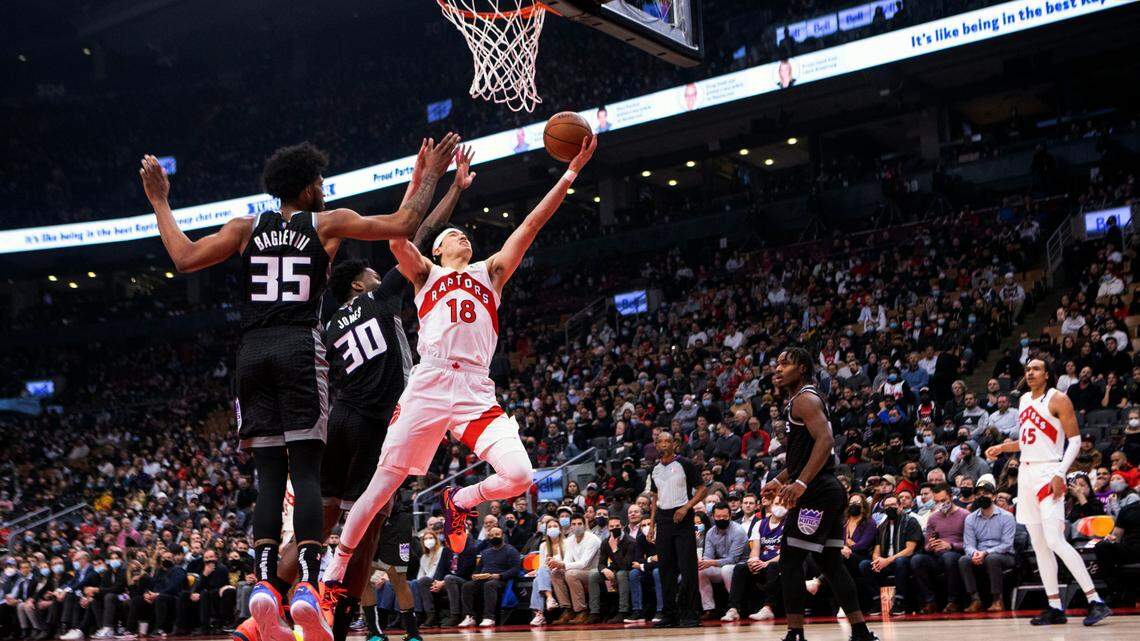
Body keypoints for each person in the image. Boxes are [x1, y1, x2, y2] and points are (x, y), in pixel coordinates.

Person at [139, 134, 460, 641]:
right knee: (307, 471)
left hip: (251, 352)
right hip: (296, 345)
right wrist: (429, 175)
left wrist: (160, 200)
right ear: (309, 186)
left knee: (270, 476)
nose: (324, 187)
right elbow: (403, 226)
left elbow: (182, 257)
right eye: (321, 181)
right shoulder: (325, 224)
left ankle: (265, 586)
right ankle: (309, 586)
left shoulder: (245, 228)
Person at [322, 136, 597, 602]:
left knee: (519, 476)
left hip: (474, 388)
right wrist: (417, 180)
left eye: (465, 234)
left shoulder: (491, 271)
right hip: (428, 383)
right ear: (440, 247)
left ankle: (460, 501)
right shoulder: (425, 273)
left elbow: (531, 224)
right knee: (382, 483)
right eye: (453, 234)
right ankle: (337, 568)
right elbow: (396, 236)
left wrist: (570, 172)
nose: (462, 236)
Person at [317, 144, 474, 641]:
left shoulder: (325, 316)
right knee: (367, 527)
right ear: (362, 285)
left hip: (339, 415)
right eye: (369, 273)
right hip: (372, 421)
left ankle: (280, 597)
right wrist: (446, 187)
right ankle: (336, 617)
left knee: (321, 521)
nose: (375, 273)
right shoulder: (380, 297)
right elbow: (417, 235)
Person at [762, 348, 877, 641]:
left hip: (817, 491)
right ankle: (860, 631)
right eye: (776, 364)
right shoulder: (799, 401)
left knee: (788, 561)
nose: (777, 369)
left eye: (785, 364)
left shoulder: (805, 399)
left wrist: (800, 484)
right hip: (824, 488)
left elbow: (825, 441)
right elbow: (805, 453)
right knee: (830, 562)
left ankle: (795, 633)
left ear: (802, 368)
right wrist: (780, 478)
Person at [985, 358, 1111, 626]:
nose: (1030, 372)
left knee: (1054, 540)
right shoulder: (1024, 401)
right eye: (1028, 368)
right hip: (1027, 473)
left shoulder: (1059, 399)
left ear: (1047, 374)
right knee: (1039, 544)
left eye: (1036, 369)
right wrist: (1003, 448)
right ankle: (1055, 606)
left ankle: (1096, 600)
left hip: (1049, 471)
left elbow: (1075, 440)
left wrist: (1059, 473)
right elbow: (1030, 441)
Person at [649, 431, 706, 628]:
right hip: (663, 519)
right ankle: (669, 614)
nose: (664, 444)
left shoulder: (686, 464)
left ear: (675, 443)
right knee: (665, 569)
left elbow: (702, 489)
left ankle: (690, 613)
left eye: (668, 440)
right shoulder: (654, 469)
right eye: (660, 441)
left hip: (682, 517)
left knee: (687, 567)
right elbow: (654, 498)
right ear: (656, 445)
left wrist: (686, 507)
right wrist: (651, 525)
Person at [958, 481, 1016, 612]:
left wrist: (985, 553)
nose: (981, 496)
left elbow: (1007, 544)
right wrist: (975, 553)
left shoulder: (1007, 517)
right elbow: (968, 544)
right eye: (978, 494)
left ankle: (997, 600)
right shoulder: (970, 518)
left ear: (994, 496)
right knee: (963, 560)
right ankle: (975, 599)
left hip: (1005, 555)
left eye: (986, 493)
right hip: (980, 554)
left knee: (992, 559)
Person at [859, 494, 921, 615]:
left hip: (905, 561)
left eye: (893, 505)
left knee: (900, 561)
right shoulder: (882, 526)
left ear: (900, 506)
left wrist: (887, 561)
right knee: (865, 565)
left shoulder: (910, 522)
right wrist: (877, 560)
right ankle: (877, 602)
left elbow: (910, 549)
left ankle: (899, 602)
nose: (890, 508)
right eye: (887, 506)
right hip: (885, 562)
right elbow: (876, 551)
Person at [910, 484, 967, 613]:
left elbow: (970, 543)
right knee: (917, 560)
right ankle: (930, 601)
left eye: (943, 501)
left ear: (951, 497)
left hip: (956, 553)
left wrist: (951, 545)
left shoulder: (964, 515)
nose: (941, 504)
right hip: (936, 555)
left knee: (949, 557)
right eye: (937, 502)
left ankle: (954, 601)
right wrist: (930, 545)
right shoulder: (933, 517)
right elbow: (926, 544)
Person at [457, 526, 519, 627]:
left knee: (490, 584)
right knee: (467, 586)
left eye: (497, 535)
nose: (494, 537)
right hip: (484, 579)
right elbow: (478, 569)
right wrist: (475, 575)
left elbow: (515, 569)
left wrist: (499, 576)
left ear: (502, 536)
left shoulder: (511, 550)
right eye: (491, 535)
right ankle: (469, 617)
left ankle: (489, 617)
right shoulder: (485, 552)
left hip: (501, 580)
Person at [697, 502, 746, 616]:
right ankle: (709, 608)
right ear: (713, 517)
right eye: (718, 517)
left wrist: (711, 562)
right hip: (721, 564)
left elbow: (733, 559)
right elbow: (708, 557)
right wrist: (703, 562)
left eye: (725, 516)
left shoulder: (738, 531)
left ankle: (734, 607)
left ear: (730, 516)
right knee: (701, 570)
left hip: (741, 565)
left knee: (727, 569)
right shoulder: (710, 532)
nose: (721, 519)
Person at [590, 515, 637, 623]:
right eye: (611, 526)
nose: (614, 529)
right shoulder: (606, 542)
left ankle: (623, 611)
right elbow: (601, 563)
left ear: (622, 526)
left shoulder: (630, 541)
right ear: (608, 528)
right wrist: (604, 570)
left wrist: (614, 549)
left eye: (617, 526)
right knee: (593, 575)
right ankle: (594, 612)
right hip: (615, 571)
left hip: (629, 572)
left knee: (620, 574)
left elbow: (625, 565)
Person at [1093, 501, 1140, 605]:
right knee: (1102, 546)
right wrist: (1111, 539)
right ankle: (1116, 591)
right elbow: (1117, 536)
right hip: (1131, 549)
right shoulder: (1128, 509)